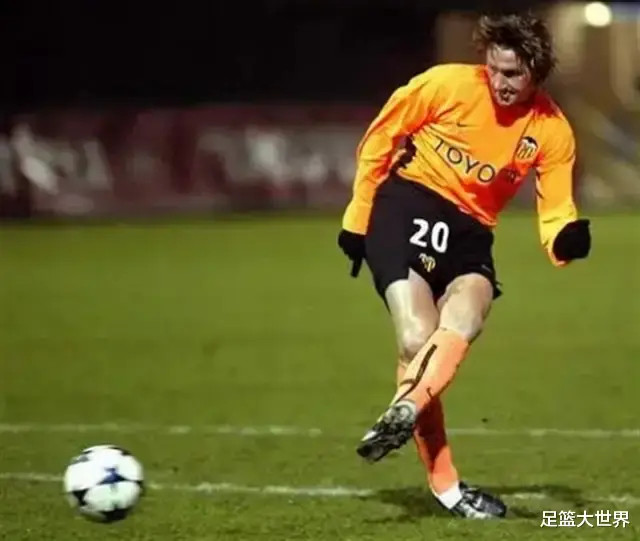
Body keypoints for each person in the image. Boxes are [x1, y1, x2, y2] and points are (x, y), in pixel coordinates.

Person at [337, 12, 591, 519]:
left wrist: (565, 239)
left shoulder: (552, 130)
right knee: (417, 339)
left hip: (471, 232)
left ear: (537, 72)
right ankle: (447, 486)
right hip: (407, 206)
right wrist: (358, 219)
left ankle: (406, 409)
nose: (499, 81)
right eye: (493, 68)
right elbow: (381, 138)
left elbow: (556, 209)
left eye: (512, 74)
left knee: (469, 315)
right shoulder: (445, 85)